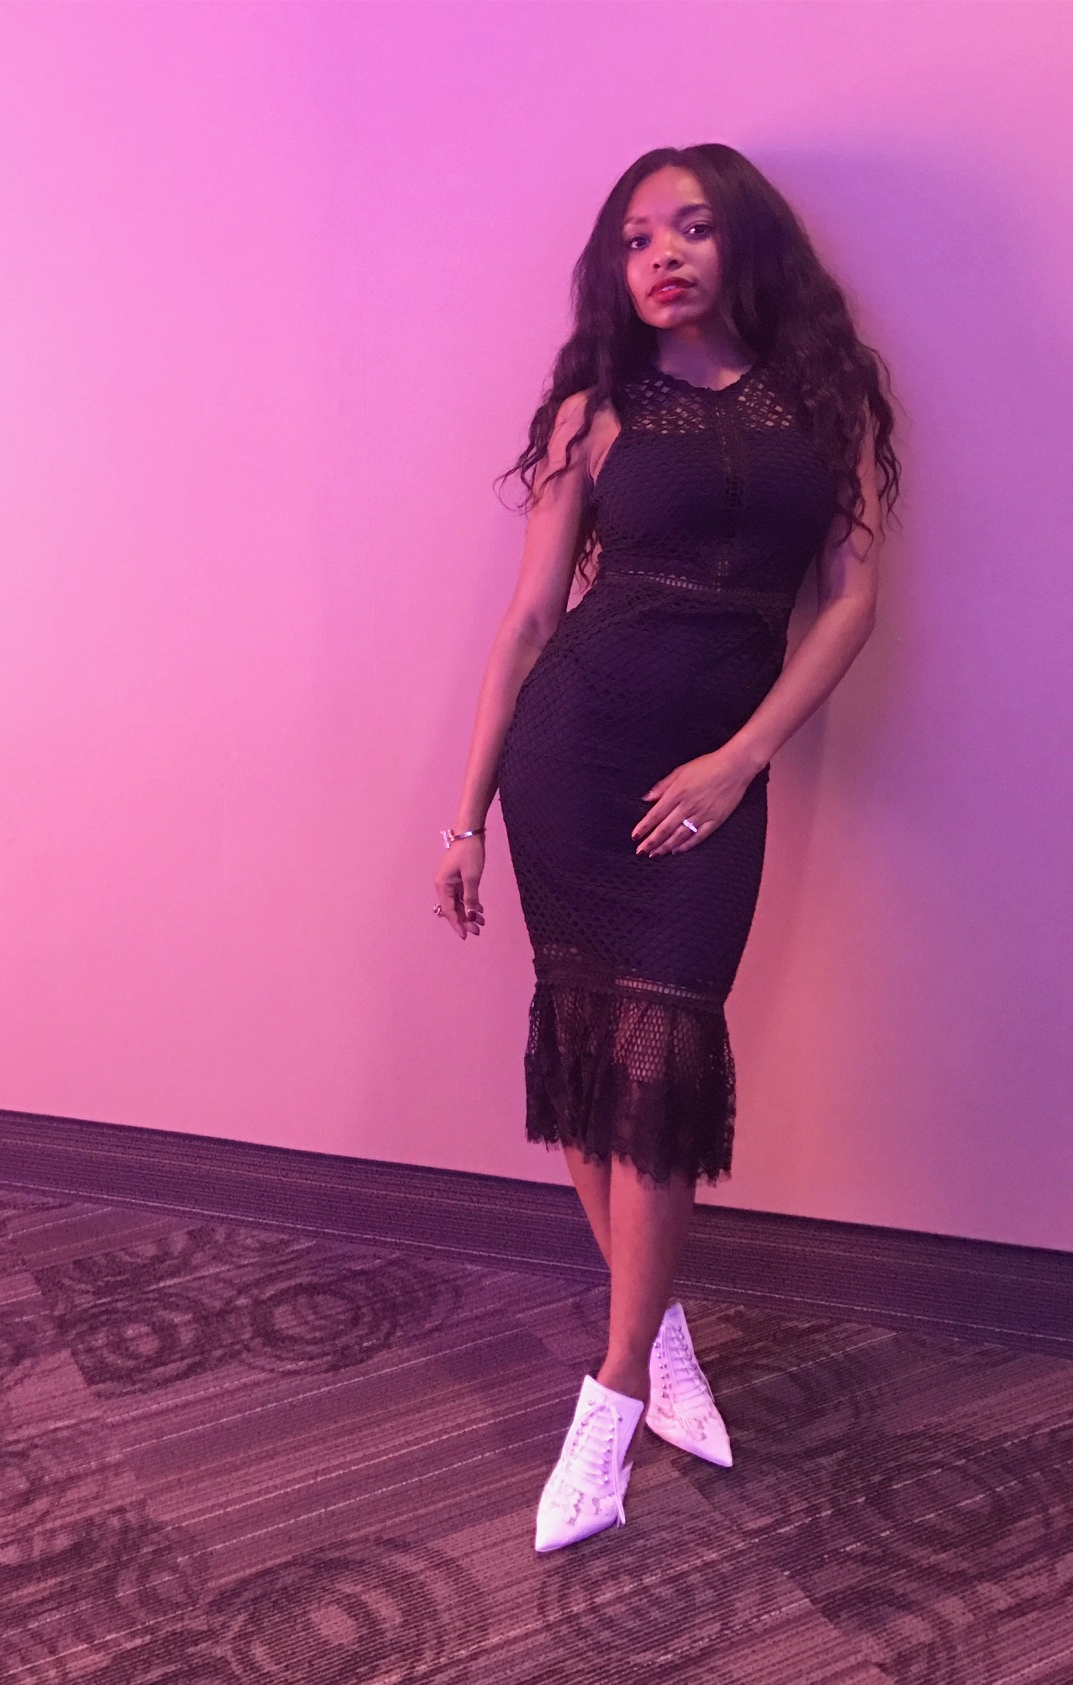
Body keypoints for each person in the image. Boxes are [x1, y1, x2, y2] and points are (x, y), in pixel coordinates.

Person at [432, 144, 899, 1552]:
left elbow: (850, 602)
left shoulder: (829, 399)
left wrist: (741, 759)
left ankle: (617, 1384)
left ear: (743, 242)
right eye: (637, 239)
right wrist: (465, 815)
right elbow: (529, 621)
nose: (663, 257)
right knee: (593, 1056)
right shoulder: (596, 412)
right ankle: (650, 1350)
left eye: (691, 229)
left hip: (710, 778)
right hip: (571, 763)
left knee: (667, 1059)